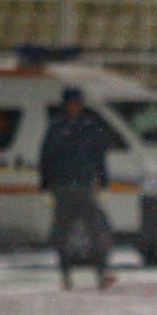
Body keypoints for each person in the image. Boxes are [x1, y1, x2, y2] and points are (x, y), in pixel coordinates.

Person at [39, 87, 115, 291]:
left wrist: (104, 183)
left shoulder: (89, 128)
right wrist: (45, 186)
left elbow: (99, 158)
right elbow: (46, 159)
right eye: (71, 103)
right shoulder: (55, 128)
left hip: (84, 186)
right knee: (62, 234)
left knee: (96, 231)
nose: (74, 106)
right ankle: (65, 275)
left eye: (77, 103)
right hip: (62, 187)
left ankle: (101, 272)